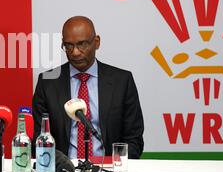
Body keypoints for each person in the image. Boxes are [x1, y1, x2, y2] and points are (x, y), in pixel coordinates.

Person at [32, 16, 144, 159]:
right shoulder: (47, 82)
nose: (75, 52)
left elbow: (133, 139)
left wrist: (115, 167)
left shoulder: (122, 81)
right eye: (68, 46)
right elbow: (39, 139)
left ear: (96, 42)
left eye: (82, 44)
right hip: (63, 169)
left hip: (108, 169)